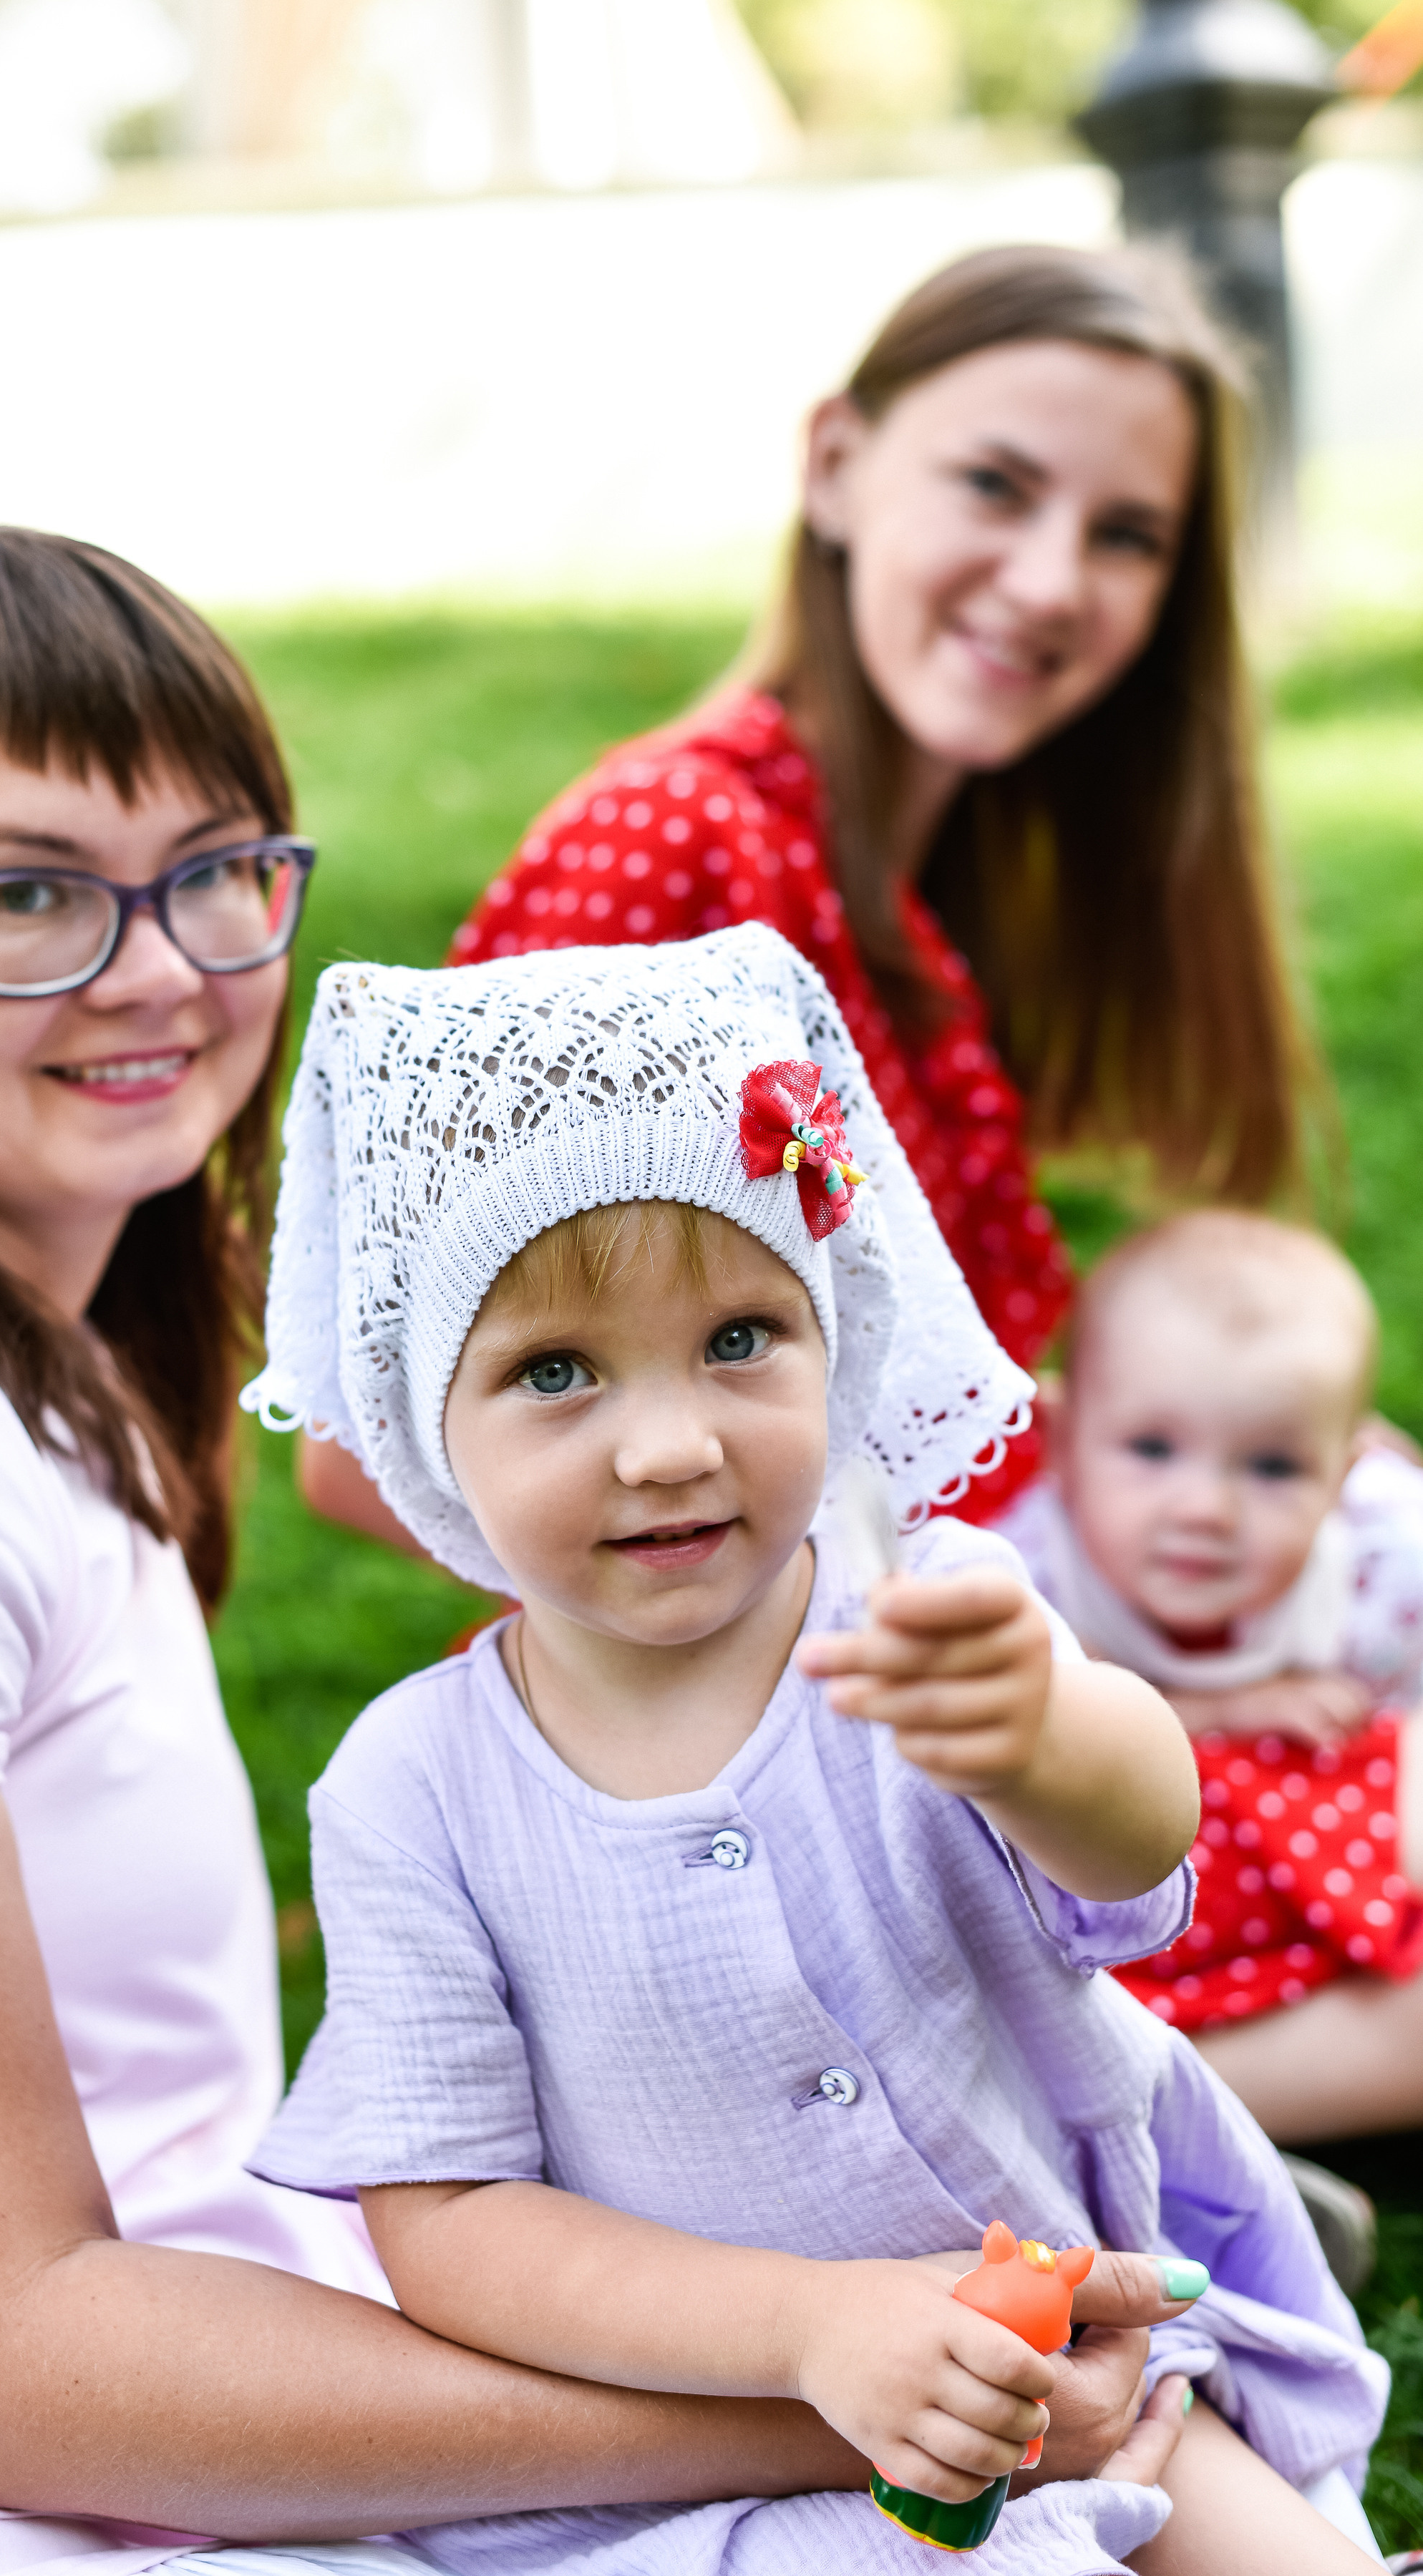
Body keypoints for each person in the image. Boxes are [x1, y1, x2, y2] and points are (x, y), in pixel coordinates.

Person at [0, 525, 1074, 2576]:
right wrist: (826, 2400)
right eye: (22, 896)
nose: (157, 965)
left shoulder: (30, 1343)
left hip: (184, 2336)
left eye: (216, 871)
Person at [243, 922, 1386, 2573]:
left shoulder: (924, 1621)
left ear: (831, 1329)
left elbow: (1139, 1860)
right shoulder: (413, 1790)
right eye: (553, 1373)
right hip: (703, 2449)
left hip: (1072, 2356)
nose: (668, 1444)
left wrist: (1047, 1733)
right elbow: (454, 2223)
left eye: (736, 1339)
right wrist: (802, 2333)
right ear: (428, 1419)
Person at [346, 240, 1309, 1563]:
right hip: (756, 1705)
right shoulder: (673, 845)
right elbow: (371, 1446)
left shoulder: (940, 882)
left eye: (1127, 536)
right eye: (993, 485)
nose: (1048, 582)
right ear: (837, 466)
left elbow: (886, 1402)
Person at [1002, 1213, 1423, 2157]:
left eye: (1275, 1467)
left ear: (1343, 1476)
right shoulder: (1025, 1572)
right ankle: (1159, 2130)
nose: (1205, 1508)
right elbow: (1027, 1736)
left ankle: (1215, 2131)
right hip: (1139, 1903)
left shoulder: (1380, 1559)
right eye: (1152, 1449)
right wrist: (1216, 1713)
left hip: (1335, 1893)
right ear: (1061, 1440)